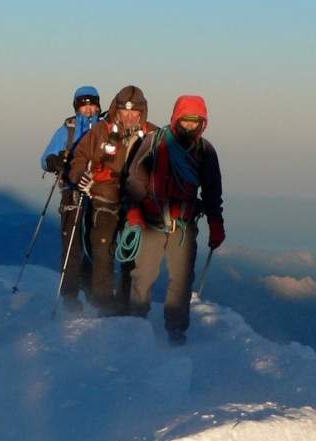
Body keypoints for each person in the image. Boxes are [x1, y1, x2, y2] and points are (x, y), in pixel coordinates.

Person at [123, 95, 225, 344]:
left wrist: (216, 222)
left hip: (184, 225)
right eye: (186, 122)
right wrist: (135, 211)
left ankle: (176, 332)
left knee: (181, 281)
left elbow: (212, 190)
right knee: (143, 275)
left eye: (195, 123)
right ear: (176, 118)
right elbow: (135, 179)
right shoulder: (154, 142)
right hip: (150, 221)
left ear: (203, 123)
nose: (190, 127)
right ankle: (136, 328)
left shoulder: (205, 151)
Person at [68, 85, 155, 316]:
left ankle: (127, 307)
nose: (128, 116)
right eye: (124, 111)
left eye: (134, 112)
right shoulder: (100, 131)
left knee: (132, 253)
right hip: (104, 197)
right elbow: (80, 158)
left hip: (136, 203)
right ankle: (103, 305)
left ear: (141, 112)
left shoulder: (153, 135)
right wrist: (79, 177)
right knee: (102, 247)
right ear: (116, 110)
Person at [40, 86, 101, 314]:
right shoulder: (66, 132)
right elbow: (45, 159)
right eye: (84, 104)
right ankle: (70, 296)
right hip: (72, 192)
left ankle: (90, 287)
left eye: (92, 104)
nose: (88, 109)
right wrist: (55, 162)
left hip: (98, 191)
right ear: (76, 106)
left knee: (96, 243)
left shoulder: (104, 129)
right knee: (73, 247)